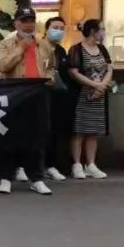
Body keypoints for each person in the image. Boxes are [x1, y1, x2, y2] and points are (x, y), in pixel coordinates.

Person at [0, 7, 55, 195]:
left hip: (38, 93)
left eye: (31, 20)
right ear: (16, 23)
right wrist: (20, 49)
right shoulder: (6, 44)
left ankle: (36, 178)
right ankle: (6, 178)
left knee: (37, 138)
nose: (29, 25)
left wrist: (49, 78)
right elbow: (3, 66)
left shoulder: (43, 44)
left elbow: (51, 66)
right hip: (14, 95)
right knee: (10, 137)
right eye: (24, 21)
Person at [67, 19, 112, 180]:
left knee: (93, 131)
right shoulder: (76, 49)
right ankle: (77, 164)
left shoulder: (102, 49)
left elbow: (109, 68)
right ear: (93, 31)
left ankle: (91, 164)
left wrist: (103, 85)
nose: (104, 32)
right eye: (102, 29)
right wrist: (94, 85)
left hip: (99, 96)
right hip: (82, 95)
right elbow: (73, 72)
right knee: (79, 131)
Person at [44, 16, 73, 182]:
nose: (59, 31)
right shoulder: (38, 48)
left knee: (55, 132)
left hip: (58, 98)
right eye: (55, 27)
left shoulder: (61, 51)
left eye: (62, 28)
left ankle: (51, 165)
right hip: (40, 95)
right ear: (46, 29)